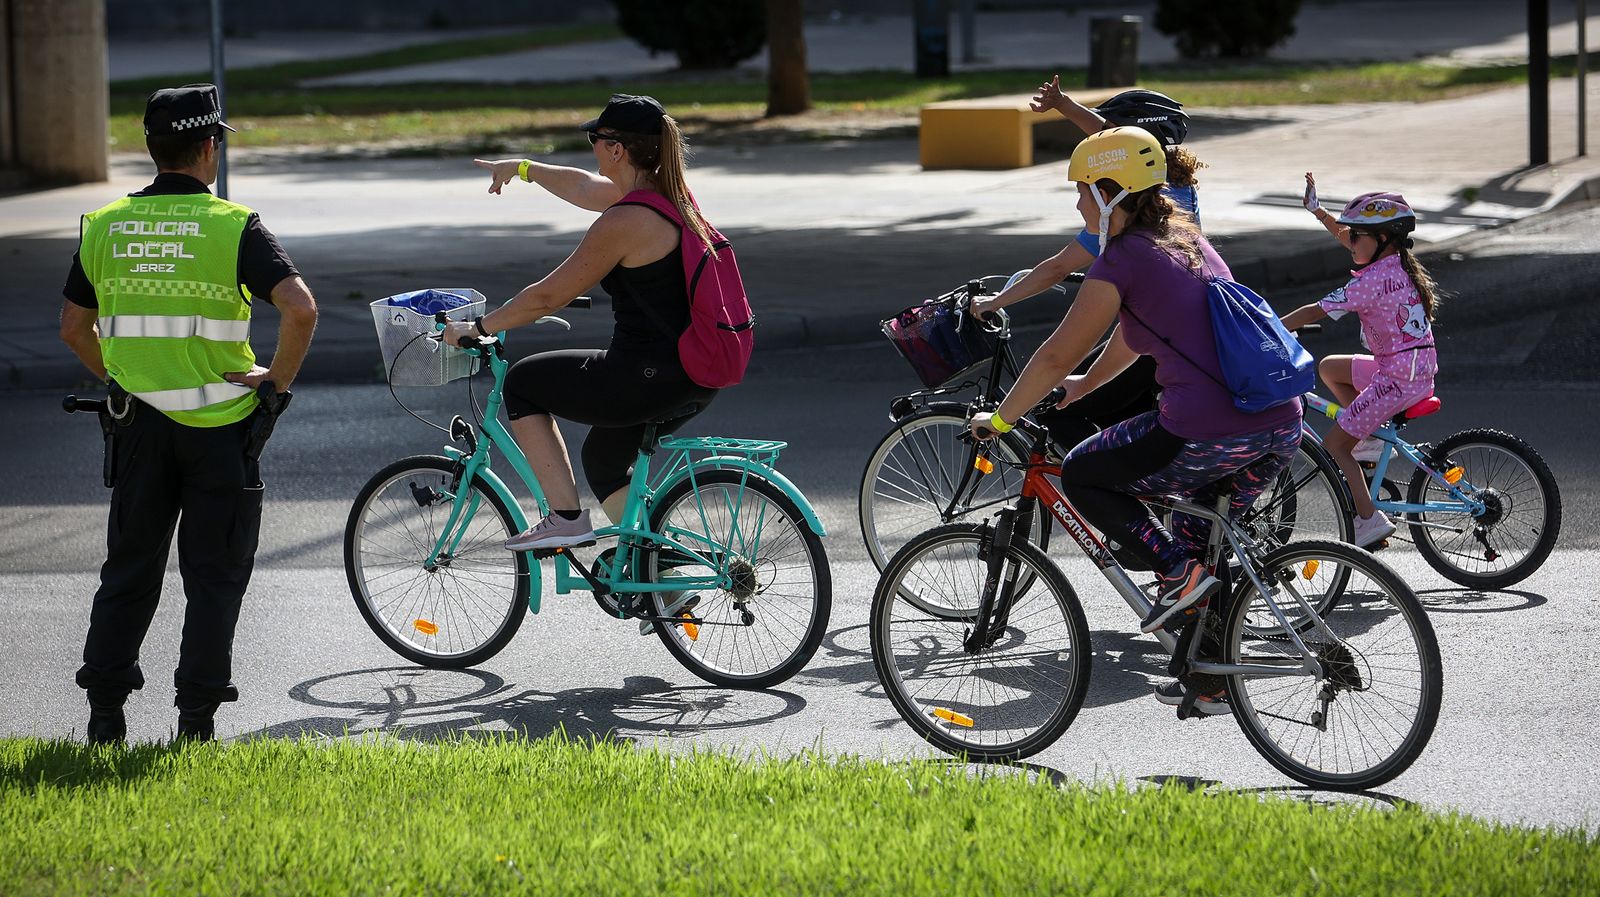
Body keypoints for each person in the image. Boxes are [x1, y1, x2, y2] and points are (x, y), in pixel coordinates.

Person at [969, 128, 1302, 715]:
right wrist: (1085, 388)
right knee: (1207, 546)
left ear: (1110, 191)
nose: (1076, 205)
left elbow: (1054, 354)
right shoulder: (1181, 237)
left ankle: (1174, 571)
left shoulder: (1122, 258)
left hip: (1208, 428)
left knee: (1084, 472)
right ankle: (1211, 679)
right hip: (1276, 425)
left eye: (1081, 193)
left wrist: (1001, 419)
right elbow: (1133, 339)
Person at [58, 83, 318, 744]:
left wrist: (120, 377)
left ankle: (105, 716)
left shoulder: (106, 223)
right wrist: (275, 386)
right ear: (209, 147)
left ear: (151, 148)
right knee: (214, 576)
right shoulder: (234, 226)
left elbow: (72, 327)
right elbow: (301, 308)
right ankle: (195, 722)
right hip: (222, 433)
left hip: (138, 426)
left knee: (129, 570)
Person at [453, 94, 722, 555]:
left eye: (596, 138)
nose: (592, 147)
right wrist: (522, 168)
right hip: (694, 373)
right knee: (603, 462)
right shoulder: (665, 196)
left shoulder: (627, 219)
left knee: (522, 383)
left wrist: (478, 327)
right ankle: (665, 576)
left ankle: (566, 520)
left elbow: (546, 296)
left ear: (616, 149)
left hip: (648, 374)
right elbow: (581, 188)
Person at [971, 83, 1207, 451]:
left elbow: (1057, 288)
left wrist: (995, 303)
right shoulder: (1168, 200)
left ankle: (1114, 491)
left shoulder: (1128, 236)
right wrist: (1064, 105)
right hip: (1181, 340)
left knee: (1060, 411)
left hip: (1163, 348)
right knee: (1116, 408)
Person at [1282, 178, 1440, 548]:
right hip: (1409, 367)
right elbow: (1353, 244)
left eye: (1357, 236)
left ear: (1381, 238)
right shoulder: (1396, 263)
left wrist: (1266, 325)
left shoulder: (1369, 283)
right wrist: (1319, 212)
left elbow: (1313, 310)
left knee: (1336, 447)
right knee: (1329, 367)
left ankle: (1368, 521)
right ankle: (1367, 436)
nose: (1349, 241)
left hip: (1399, 377)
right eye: (1350, 235)